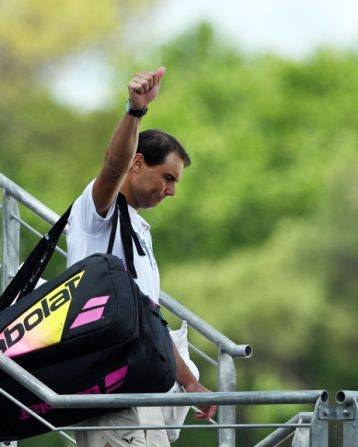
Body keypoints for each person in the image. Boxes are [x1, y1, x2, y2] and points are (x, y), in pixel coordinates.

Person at [66, 66, 217, 446]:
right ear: (138, 163)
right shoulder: (97, 211)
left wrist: (189, 382)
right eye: (167, 178)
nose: (171, 191)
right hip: (112, 390)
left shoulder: (138, 230)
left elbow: (150, 320)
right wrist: (135, 111)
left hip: (138, 385)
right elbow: (112, 166)